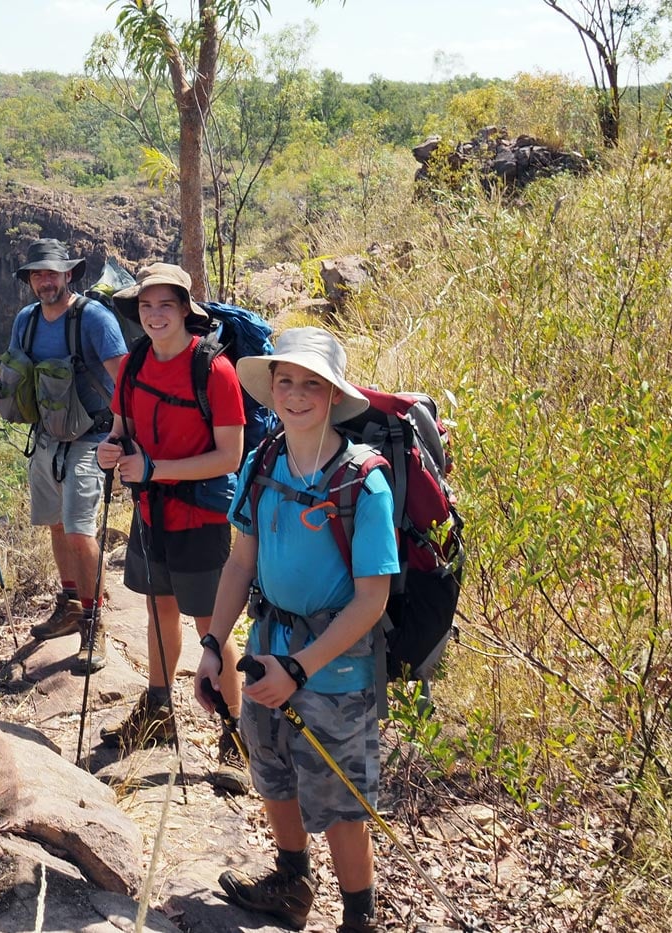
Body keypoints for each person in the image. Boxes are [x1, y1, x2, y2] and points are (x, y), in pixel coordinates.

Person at [193, 327, 398, 933]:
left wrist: (300, 668)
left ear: (334, 394)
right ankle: (290, 884)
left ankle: (358, 917)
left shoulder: (365, 481)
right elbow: (239, 563)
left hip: (335, 669)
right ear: (271, 387)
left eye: (312, 384)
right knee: (271, 767)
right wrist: (212, 646)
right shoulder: (263, 462)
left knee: (340, 803)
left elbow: (371, 600)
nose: (297, 394)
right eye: (286, 381)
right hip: (263, 653)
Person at [94, 262, 249, 793]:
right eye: (145, 306)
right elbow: (122, 430)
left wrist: (157, 470)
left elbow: (230, 457)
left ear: (186, 309)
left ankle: (236, 732)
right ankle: (158, 715)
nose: (155, 315)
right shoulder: (134, 363)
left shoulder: (214, 370)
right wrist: (111, 451)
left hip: (199, 517)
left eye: (165, 305)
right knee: (158, 609)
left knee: (212, 625)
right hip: (149, 512)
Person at [0, 239, 127, 672]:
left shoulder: (93, 320)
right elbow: (7, 381)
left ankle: (94, 622)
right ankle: (70, 604)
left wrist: (126, 439)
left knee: (78, 529)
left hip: (92, 437)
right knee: (55, 525)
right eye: (37, 274)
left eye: (52, 273)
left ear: (69, 274)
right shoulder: (27, 322)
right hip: (48, 437)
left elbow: (125, 382)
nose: (45, 281)